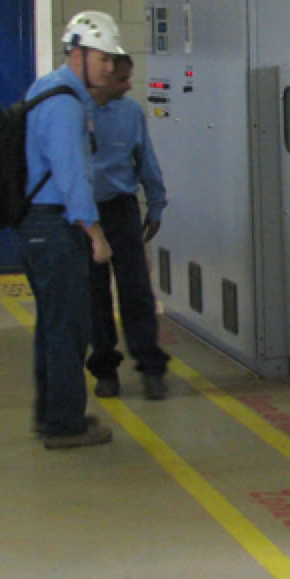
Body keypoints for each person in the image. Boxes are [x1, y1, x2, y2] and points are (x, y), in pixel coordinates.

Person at [13, 10, 123, 450]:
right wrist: (96, 234)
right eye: (103, 58)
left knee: (53, 325)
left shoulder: (48, 89)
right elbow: (71, 176)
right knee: (69, 328)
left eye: (112, 59)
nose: (110, 68)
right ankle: (64, 424)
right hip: (55, 227)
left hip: (38, 225)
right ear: (78, 52)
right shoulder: (64, 105)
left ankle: (52, 414)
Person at [83, 52, 173, 401]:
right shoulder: (74, 112)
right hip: (85, 213)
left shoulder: (131, 113)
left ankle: (151, 367)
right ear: (103, 77)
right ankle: (105, 369)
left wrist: (156, 204)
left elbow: (146, 158)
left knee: (136, 291)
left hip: (121, 210)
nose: (128, 86)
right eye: (121, 79)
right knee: (94, 295)